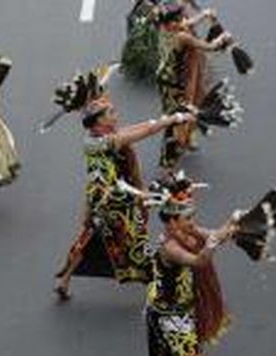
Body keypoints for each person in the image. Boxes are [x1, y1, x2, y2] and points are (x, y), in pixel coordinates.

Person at [54, 70, 195, 300]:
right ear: (99, 121)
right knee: (134, 237)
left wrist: (166, 118)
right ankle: (156, 281)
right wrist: (174, 119)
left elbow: (134, 129)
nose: (116, 115)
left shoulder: (95, 138)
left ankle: (64, 280)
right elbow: (144, 132)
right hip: (116, 200)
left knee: (89, 237)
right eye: (111, 113)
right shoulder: (108, 142)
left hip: (98, 198)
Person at [146, 174, 237, 356]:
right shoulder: (170, 247)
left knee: (166, 351)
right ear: (172, 221)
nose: (192, 222)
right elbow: (198, 261)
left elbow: (214, 236)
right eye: (187, 218)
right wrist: (212, 243)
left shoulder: (186, 231)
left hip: (168, 307)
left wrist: (233, 224)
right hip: (170, 313)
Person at [155, 4, 230, 170]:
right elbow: (209, 47)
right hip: (174, 84)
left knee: (184, 111)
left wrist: (203, 15)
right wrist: (222, 40)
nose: (183, 21)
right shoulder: (182, 37)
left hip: (164, 79)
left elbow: (187, 24)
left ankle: (186, 138)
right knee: (177, 116)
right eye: (178, 19)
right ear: (171, 23)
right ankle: (170, 157)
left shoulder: (164, 30)